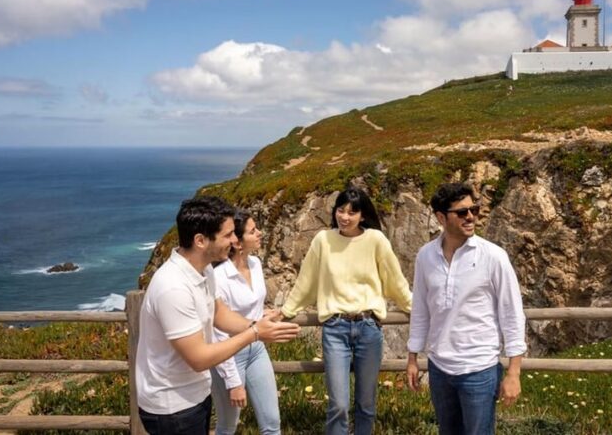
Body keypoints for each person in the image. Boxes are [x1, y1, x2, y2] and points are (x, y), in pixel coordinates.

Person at [135, 196, 300, 435]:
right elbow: (199, 357)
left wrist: (256, 324)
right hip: (171, 407)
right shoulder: (173, 287)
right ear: (200, 240)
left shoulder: (203, 270)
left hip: (195, 393)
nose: (234, 241)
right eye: (227, 235)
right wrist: (254, 333)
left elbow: (219, 313)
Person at [281, 186, 412, 435]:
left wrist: (414, 307)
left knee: (366, 403)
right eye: (340, 210)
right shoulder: (323, 240)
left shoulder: (375, 240)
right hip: (335, 328)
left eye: (352, 212)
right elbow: (306, 281)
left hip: (369, 327)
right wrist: (286, 310)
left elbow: (395, 280)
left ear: (363, 215)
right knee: (338, 404)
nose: (345, 216)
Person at [406, 183, 526, 435]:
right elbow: (420, 310)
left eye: (474, 209)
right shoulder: (425, 256)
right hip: (439, 368)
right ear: (441, 217)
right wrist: (412, 358)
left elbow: (512, 314)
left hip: (479, 369)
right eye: (461, 212)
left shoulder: (494, 256)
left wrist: (514, 372)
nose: (471, 216)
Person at [211, 210, 281, 435]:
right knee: (228, 425)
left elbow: (252, 309)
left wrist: (264, 316)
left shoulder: (256, 264)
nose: (260, 233)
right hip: (230, 355)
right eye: (253, 231)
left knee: (272, 422)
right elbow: (218, 331)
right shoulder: (219, 276)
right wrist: (233, 382)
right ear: (238, 243)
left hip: (257, 349)